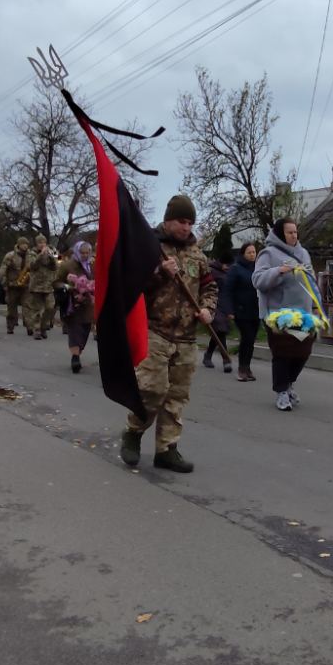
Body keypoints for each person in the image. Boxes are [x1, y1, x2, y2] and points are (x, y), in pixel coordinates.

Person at [119, 195, 218, 473]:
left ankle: (167, 449)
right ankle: (133, 432)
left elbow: (210, 287)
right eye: (181, 221)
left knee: (176, 396)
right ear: (168, 220)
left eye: (190, 223)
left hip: (186, 336)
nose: (186, 227)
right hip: (155, 330)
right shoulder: (151, 248)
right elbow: (132, 285)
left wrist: (208, 309)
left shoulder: (198, 255)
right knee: (151, 389)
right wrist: (159, 272)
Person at [253, 218, 323, 411]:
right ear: (279, 234)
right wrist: (280, 271)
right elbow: (258, 280)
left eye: (295, 232)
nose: (294, 235)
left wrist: (316, 305)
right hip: (278, 314)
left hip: (303, 314)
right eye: (289, 232)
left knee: (303, 352)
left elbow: (311, 281)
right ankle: (282, 392)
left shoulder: (303, 253)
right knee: (283, 353)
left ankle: (289, 383)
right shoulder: (268, 253)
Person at [224, 241, 261, 382]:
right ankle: (242, 368)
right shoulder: (236, 269)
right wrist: (229, 310)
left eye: (254, 252)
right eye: (249, 252)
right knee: (247, 338)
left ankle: (247, 368)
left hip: (256, 310)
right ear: (243, 254)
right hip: (241, 310)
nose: (252, 255)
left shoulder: (258, 269)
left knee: (251, 341)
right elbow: (227, 290)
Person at [64, 241, 96, 373]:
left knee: (85, 329)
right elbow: (56, 281)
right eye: (82, 253)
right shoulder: (68, 265)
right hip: (73, 303)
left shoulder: (92, 265)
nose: (85, 255)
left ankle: (78, 351)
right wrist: (68, 286)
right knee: (75, 329)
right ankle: (75, 357)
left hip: (89, 303)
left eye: (87, 253)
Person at [201, 252, 233, 372]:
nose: (228, 267)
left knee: (219, 332)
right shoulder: (212, 272)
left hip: (225, 306)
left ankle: (208, 355)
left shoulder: (228, 273)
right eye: (226, 265)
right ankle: (226, 360)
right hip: (214, 305)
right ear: (221, 263)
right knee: (220, 331)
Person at [26, 234, 60, 340]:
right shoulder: (31, 253)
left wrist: (51, 257)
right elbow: (32, 266)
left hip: (48, 285)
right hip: (36, 285)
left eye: (44, 242)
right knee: (37, 309)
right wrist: (40, 255)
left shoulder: (50, 252)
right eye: (40, 243)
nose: (42, 244)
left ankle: (43, 327)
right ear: (36, 244)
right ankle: (37, 329)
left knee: (50, 307)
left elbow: (55, 267)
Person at [1, 237, 33, 336]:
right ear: (18, 245)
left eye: (26, 244)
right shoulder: (10, 256)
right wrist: (4, 283)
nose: (25, 246)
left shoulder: (31, 256)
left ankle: (29, 327)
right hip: (13, 285)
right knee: (11, 307)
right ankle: (10, 326)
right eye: (23, 244)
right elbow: (3, 270)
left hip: (26, 285)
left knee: (27, 306)